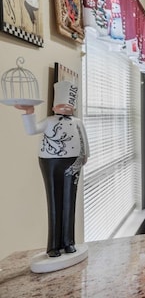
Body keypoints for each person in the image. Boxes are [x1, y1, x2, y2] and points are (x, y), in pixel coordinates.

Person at [15, 81, 89, 257]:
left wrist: (85, 156)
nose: (65, 108)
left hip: (73, 162)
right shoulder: (48, 121)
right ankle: (53, 246)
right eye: (62, 105)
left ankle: (68, 242)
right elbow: (32, 130)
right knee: (54, 201)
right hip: (50, 162)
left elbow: (84, 140)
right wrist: (29, 112)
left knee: (69, 201)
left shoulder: (78, 122)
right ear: (54, 106)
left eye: (69, 105)